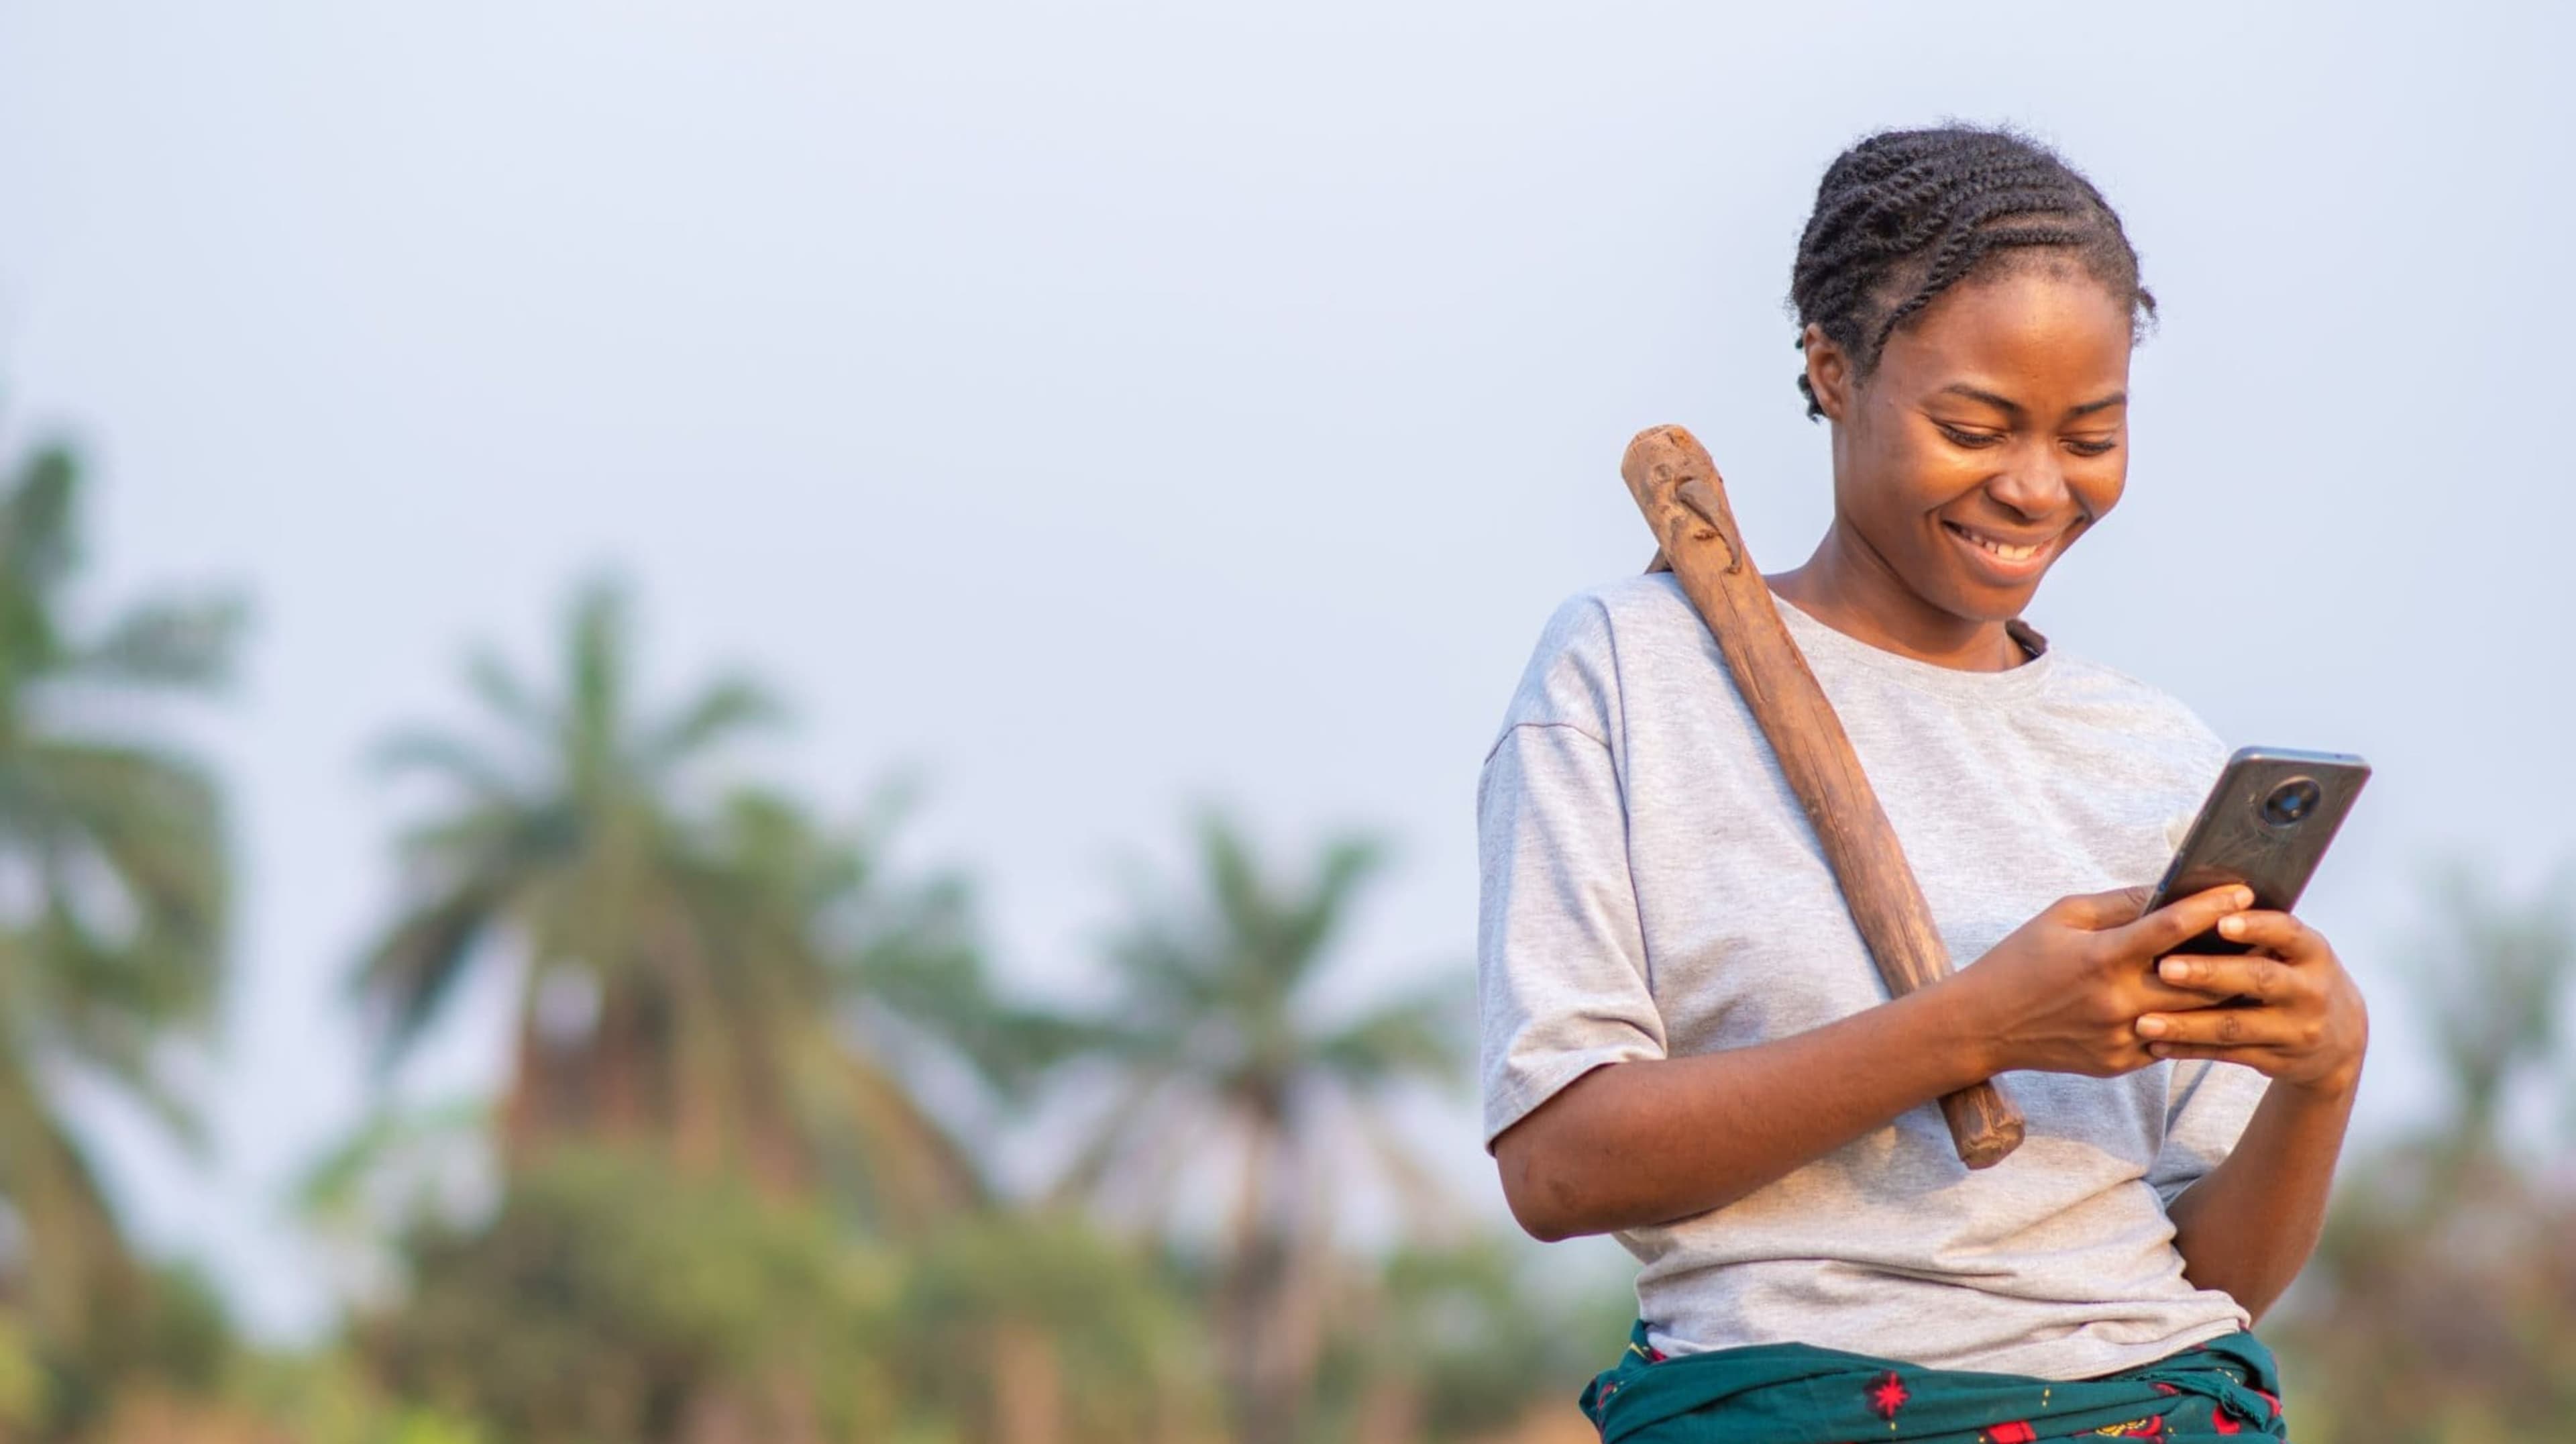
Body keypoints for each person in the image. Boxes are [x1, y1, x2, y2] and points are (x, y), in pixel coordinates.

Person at [1475, 126, 2367, 1443]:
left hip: (2151, 1401)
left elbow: (2216, 1274)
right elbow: (1557, 1163)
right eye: (1975, 424)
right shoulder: (1633, 671)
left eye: (2093, 433)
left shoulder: (2157, 754)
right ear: (1832, 371)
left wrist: (2326, 1072)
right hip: (1783, 1399)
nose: (2035, 483)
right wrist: (1973, 1027)